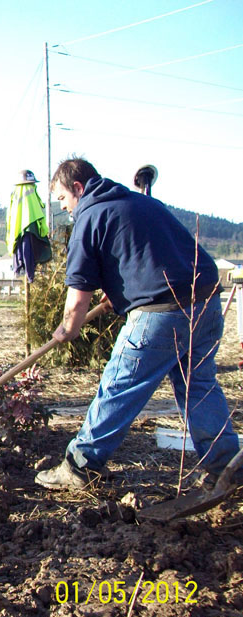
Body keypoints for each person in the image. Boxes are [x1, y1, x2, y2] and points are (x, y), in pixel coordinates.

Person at [35, 158, 241, 491]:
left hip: (162, 311)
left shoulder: (90, 215)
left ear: (78, 188)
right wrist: (120, 292)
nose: (63, 207)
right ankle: (227, 468)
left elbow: (78, 296)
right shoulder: (138, 202)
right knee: (199, 387)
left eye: (62, 198)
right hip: (206, 301)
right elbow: (147, 255)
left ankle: (80, 467)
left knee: (119, 387)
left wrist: (68, 329)